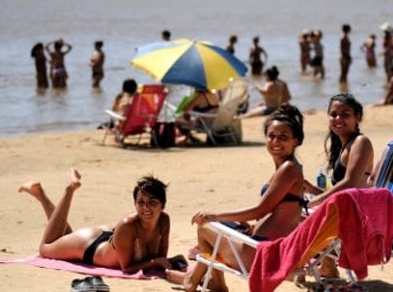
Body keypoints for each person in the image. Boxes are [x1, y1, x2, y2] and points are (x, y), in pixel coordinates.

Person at [166, 104, 306, 292]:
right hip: (265, 247)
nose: (275, 142)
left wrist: (215, 216)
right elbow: (276, 211)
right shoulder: (289, 167)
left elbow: (260, 210)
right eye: (271, 136)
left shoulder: (288, 169)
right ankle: (205, 280)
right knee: (220, 227)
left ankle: (198, 280)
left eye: (283, 137)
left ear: (295, 141)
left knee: (205, 226)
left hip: (258, 255)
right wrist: (248, 224)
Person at [18, 169, 185, 274]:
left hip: (109, 239)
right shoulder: (128, 224)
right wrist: (155, 262)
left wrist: (169, 261)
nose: (145, 208)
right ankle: (69, 190)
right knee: (45, 248)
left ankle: (39, 193)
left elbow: (161, 257)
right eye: (140, 202)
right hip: (89, 247)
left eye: (152, 202)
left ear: (163, 206)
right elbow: (126, 268)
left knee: (64, 236)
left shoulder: (164, 220)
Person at [303, 93, 374, 278]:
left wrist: (315, 200)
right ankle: (326, 265)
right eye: (333, 114)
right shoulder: (345, 146)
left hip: (356, 215)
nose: (338, 119)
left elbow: (350, 183)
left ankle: (317, 264)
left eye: (345, 114)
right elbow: (343, 191)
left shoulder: (361, 142)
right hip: (345, 208)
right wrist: (312, 189)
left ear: (357, 117)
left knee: (293, 213)